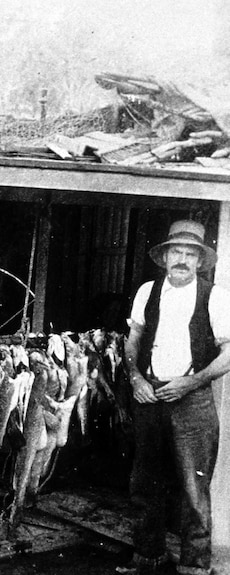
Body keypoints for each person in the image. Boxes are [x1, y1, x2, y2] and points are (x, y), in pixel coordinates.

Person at [121, 220, 230, 575]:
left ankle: (195, 566)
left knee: (192, 487)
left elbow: (229, 353)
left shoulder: (215, 295)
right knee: (144, 483)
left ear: (200, 261)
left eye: (190, 254)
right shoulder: (147, 292)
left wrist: (191, 383)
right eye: (176, 252)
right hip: (149, 396)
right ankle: (147, 557)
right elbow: (132, 339)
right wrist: (135, 377)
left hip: (192, 401)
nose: (182, 260)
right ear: (164, 257)